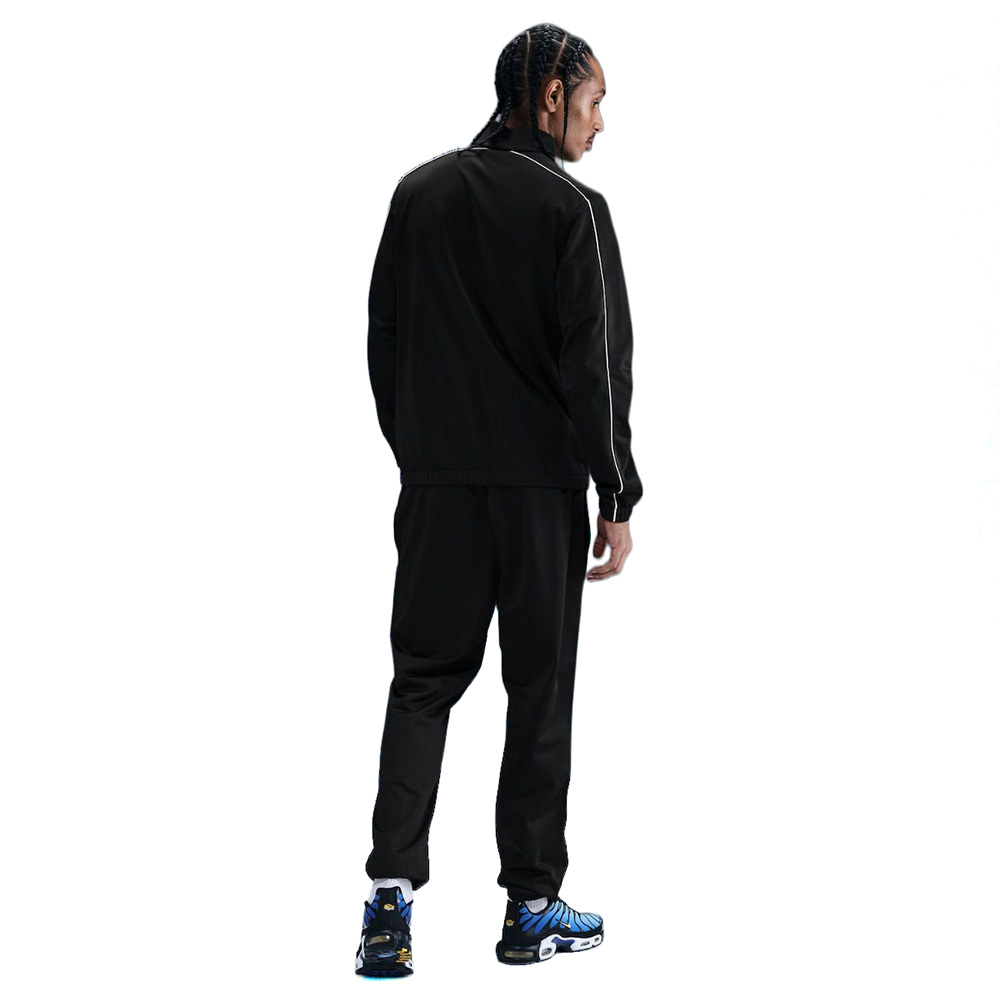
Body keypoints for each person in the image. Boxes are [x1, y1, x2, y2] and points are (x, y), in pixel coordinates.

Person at [355, 23, 643, 976]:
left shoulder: (419, 193)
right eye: (593, 101)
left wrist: (421, 454)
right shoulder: (575, 211)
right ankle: (530, 908)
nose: (599, 123)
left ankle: (388, 905)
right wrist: (617, 492)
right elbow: (596, 367)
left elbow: (384, 337)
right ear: (551, 95)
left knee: (421, 683)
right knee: (539, 693)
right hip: (538, 496)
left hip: (437, 490)